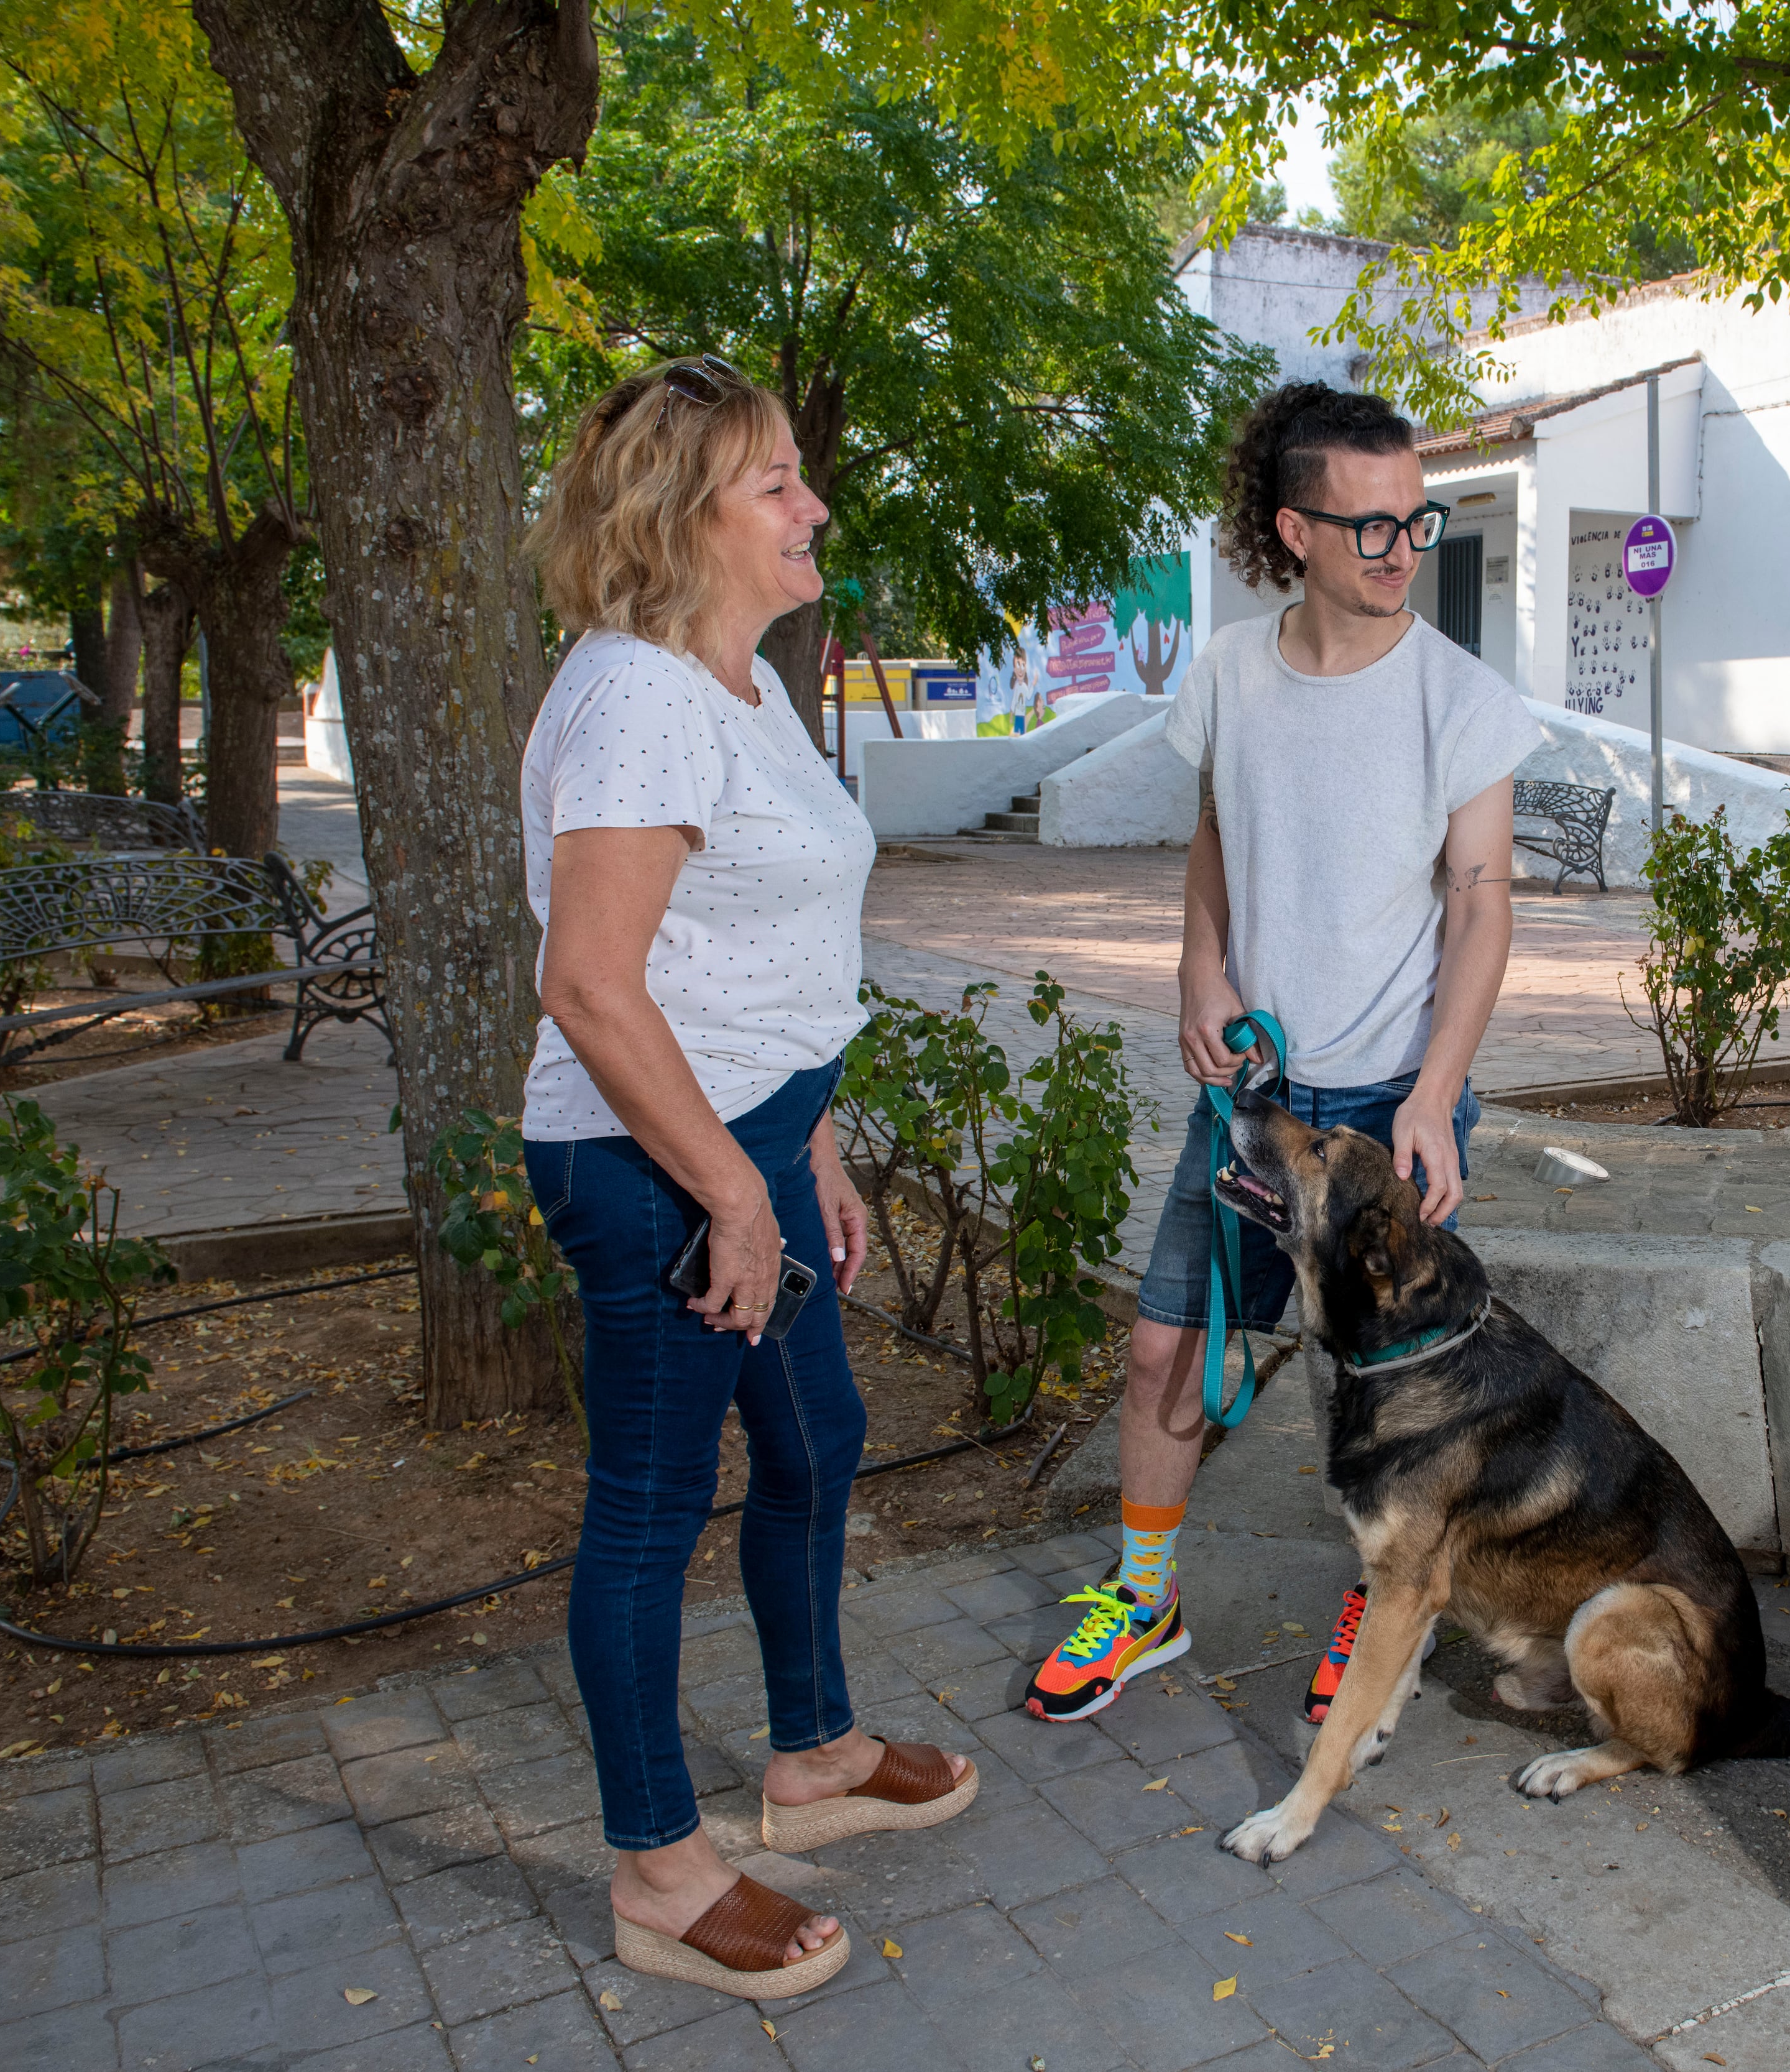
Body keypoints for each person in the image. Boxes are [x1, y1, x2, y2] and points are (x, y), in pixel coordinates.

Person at [519, 354, 976, 2001]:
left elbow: (761, 946)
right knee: (649, 1510)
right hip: (651, 1162)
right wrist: (729, 1188)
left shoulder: (743, 676)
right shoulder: (638, 691)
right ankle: (657, 1864)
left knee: (818, 1433)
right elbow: (593, 986)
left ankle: (816, 1752)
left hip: (749, 1138)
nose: (815, 504)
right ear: (678, 515)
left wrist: (809, 1146)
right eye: (774, 482)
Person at [1026, 382, 1544, 1724]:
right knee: (1159, 1349)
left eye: (1413, 520)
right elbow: (1215, 839)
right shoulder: (1230, 678)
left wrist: (1435, 1093)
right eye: (1366, 526)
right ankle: (1146, 1596)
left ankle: (1381, 1621)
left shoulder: (1461, 700)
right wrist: (1200, 965)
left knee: (1385, 1386)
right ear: (1290, 530)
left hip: (1387, 1098)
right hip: (1254, 1097)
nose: (1399, 550)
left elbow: (1483, 898)